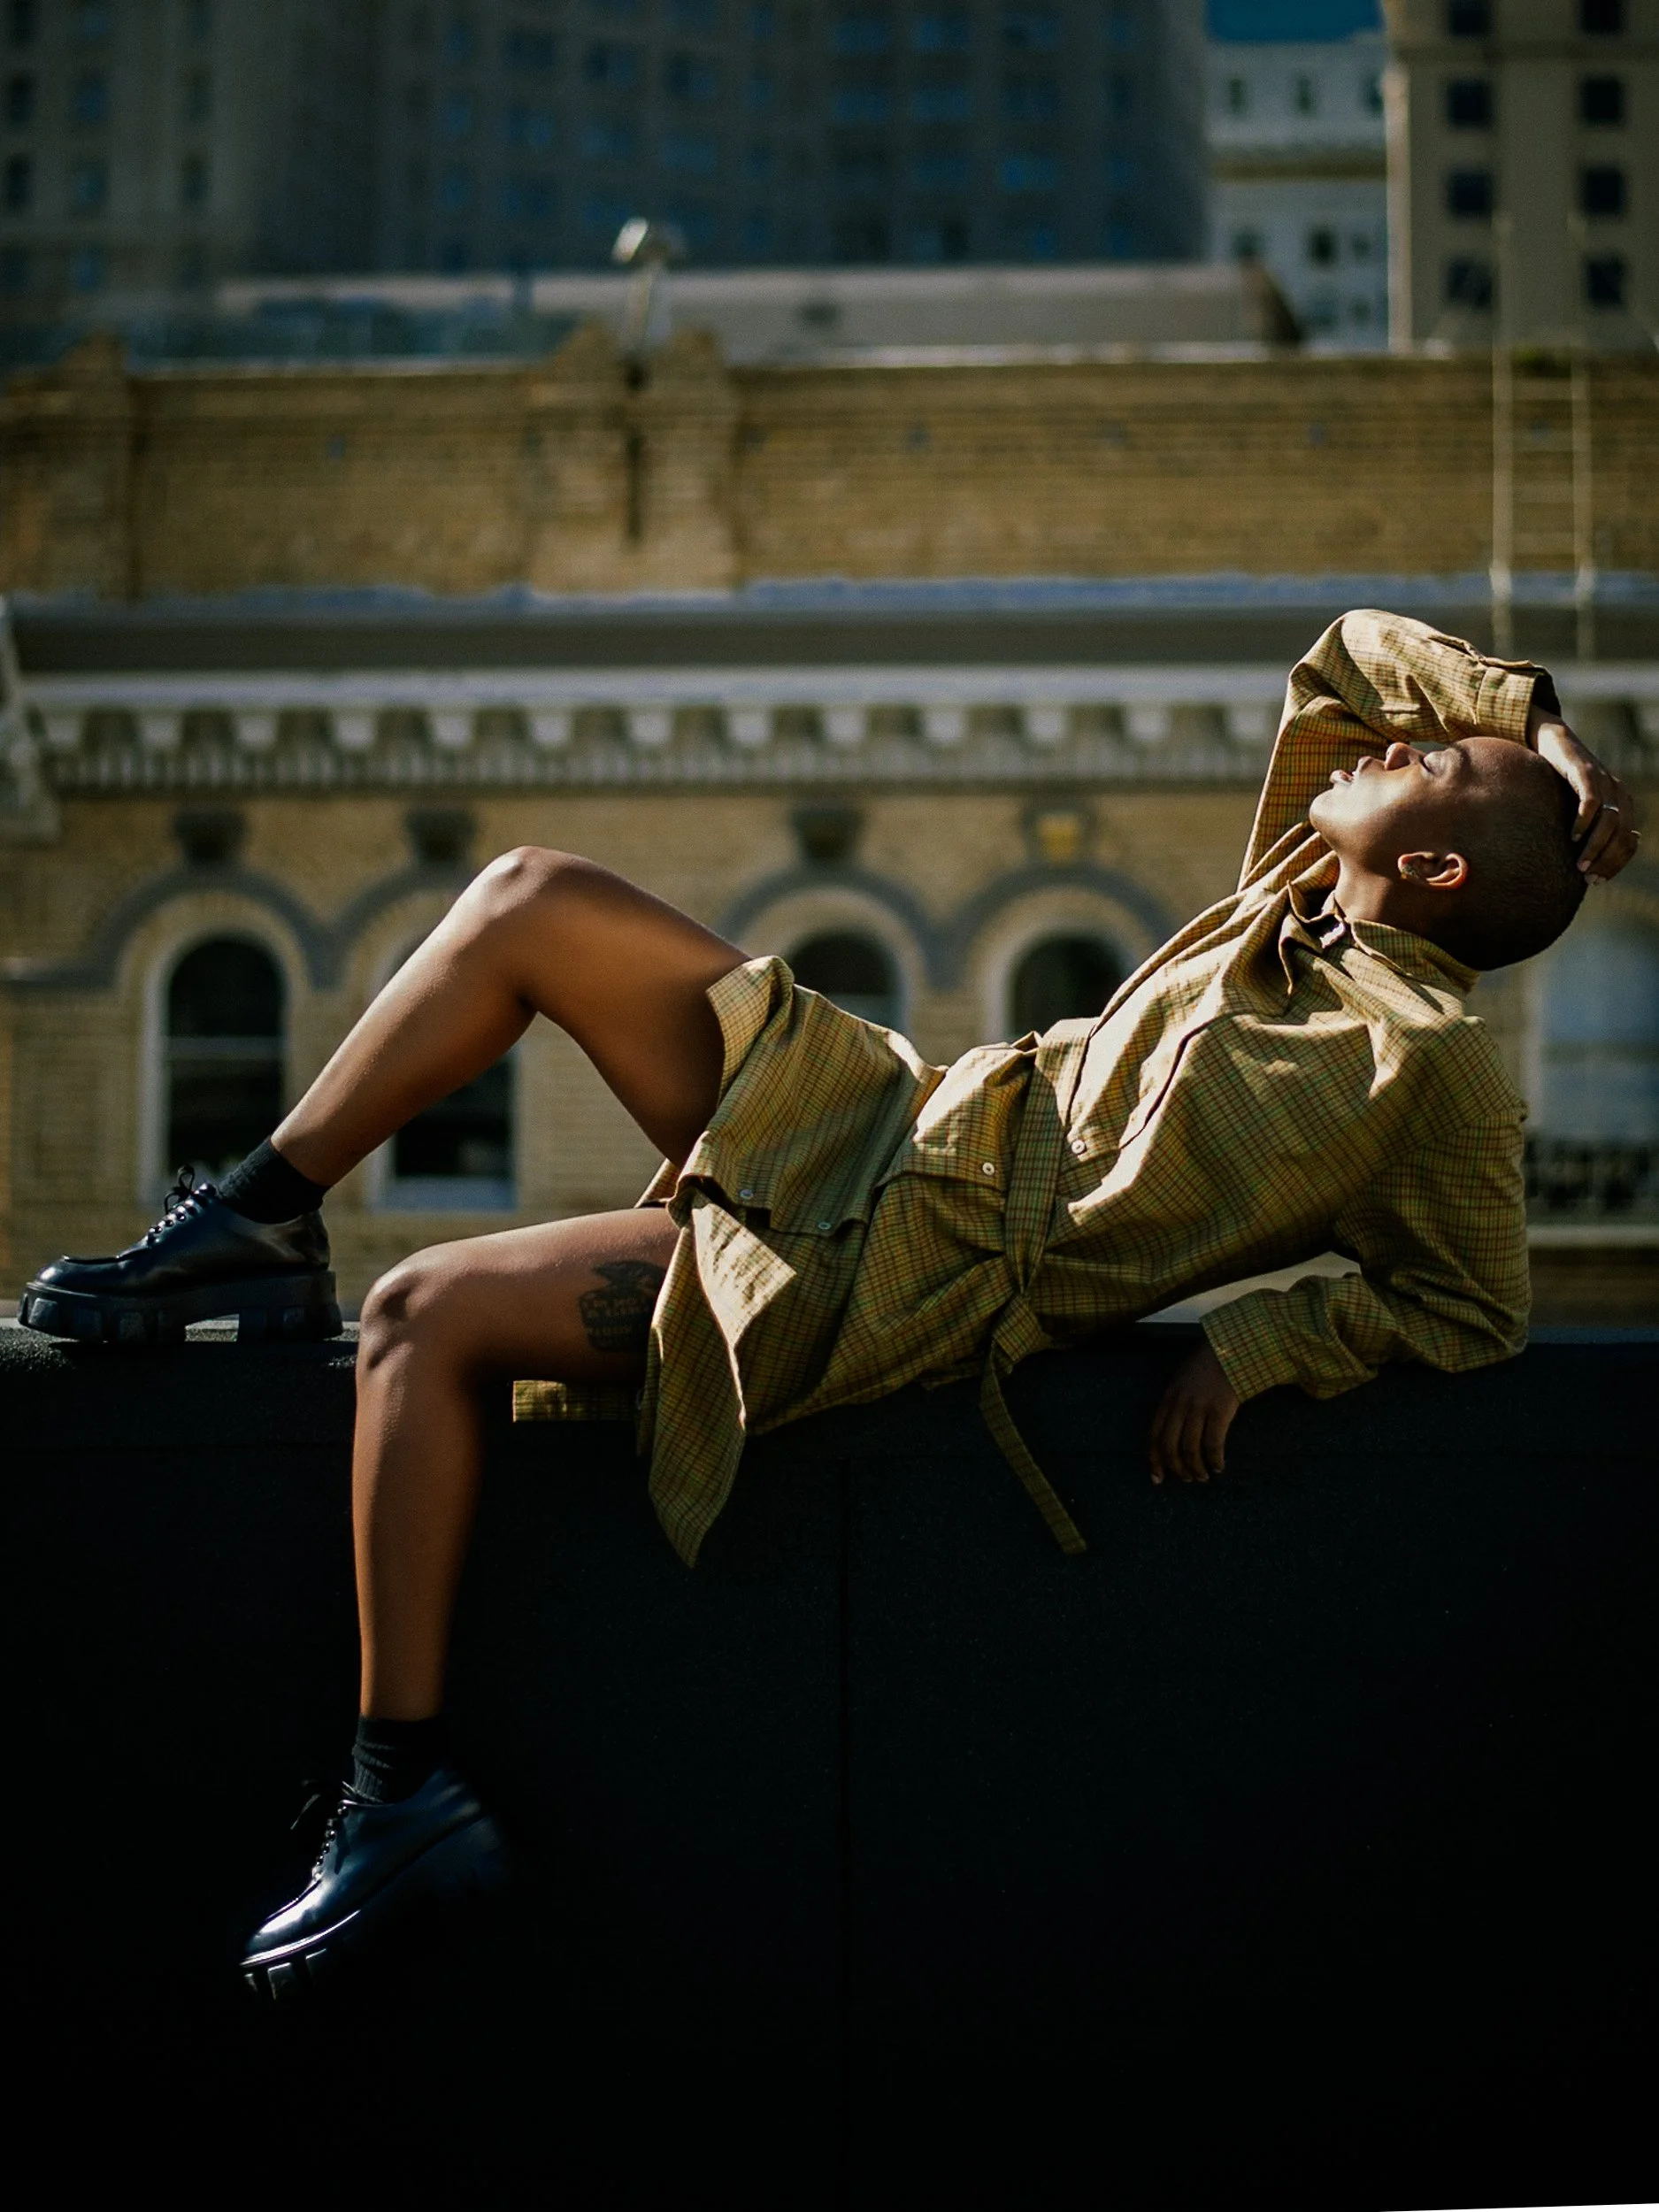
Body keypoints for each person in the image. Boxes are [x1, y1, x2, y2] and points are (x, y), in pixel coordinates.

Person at [19, 611, 1640, 1998]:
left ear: (1427, 864)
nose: (1385, 745)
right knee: (523, 894)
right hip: (884, 1110)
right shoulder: (1289, 894)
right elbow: (1349, 653)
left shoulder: (1425, 1074)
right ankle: (255, 1223)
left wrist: (1260, 1341)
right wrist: (1542, 731)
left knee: (424, 1318)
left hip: (898, 1276)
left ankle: (395, 1792)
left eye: (1421, 764)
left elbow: (1469, 1303)